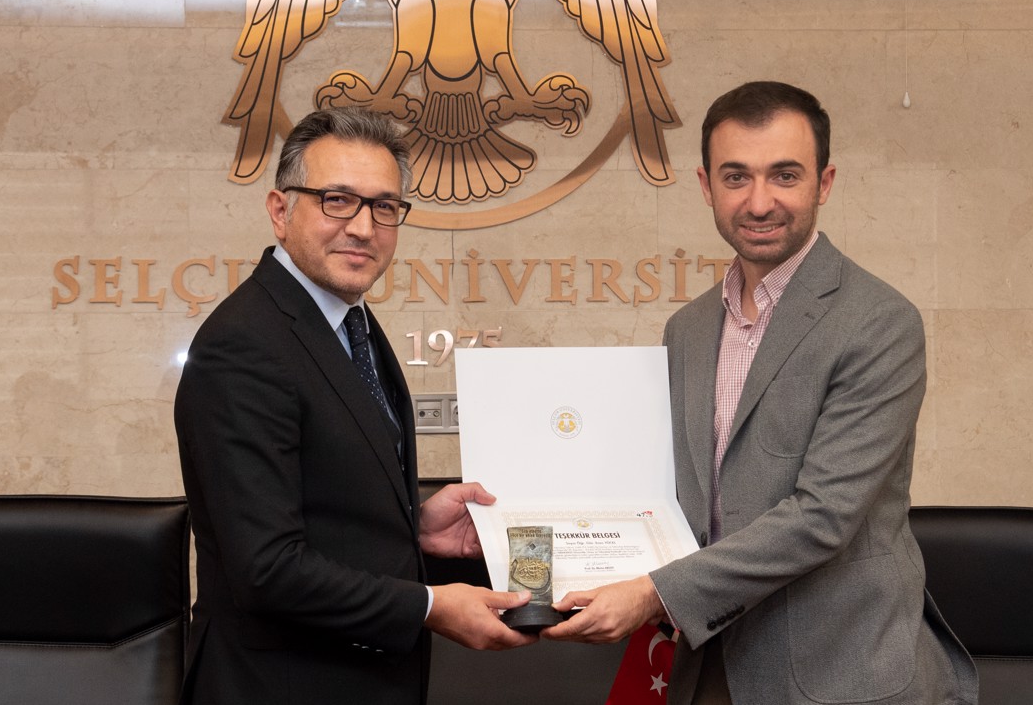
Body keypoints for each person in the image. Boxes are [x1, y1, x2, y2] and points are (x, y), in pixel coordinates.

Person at [542, 82, 979, 705]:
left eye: (785, 175)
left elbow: (823, 517)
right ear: (706, 186)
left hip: (839, 672)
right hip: (708, 662)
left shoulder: (880, 323)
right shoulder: (687, 329)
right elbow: (671, 494)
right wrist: (537, 530)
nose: (759, 201)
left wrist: (654, 593)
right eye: (736, 177)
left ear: (824, 183)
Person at [174, 107, 534, 705]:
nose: (364, 228)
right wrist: (429, 605)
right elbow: (266, 569)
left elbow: (323, 505)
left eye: (384, 206)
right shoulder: (244, 343)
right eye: (337, 200)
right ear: (280, 210)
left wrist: (414, 527)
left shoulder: (347, 322)